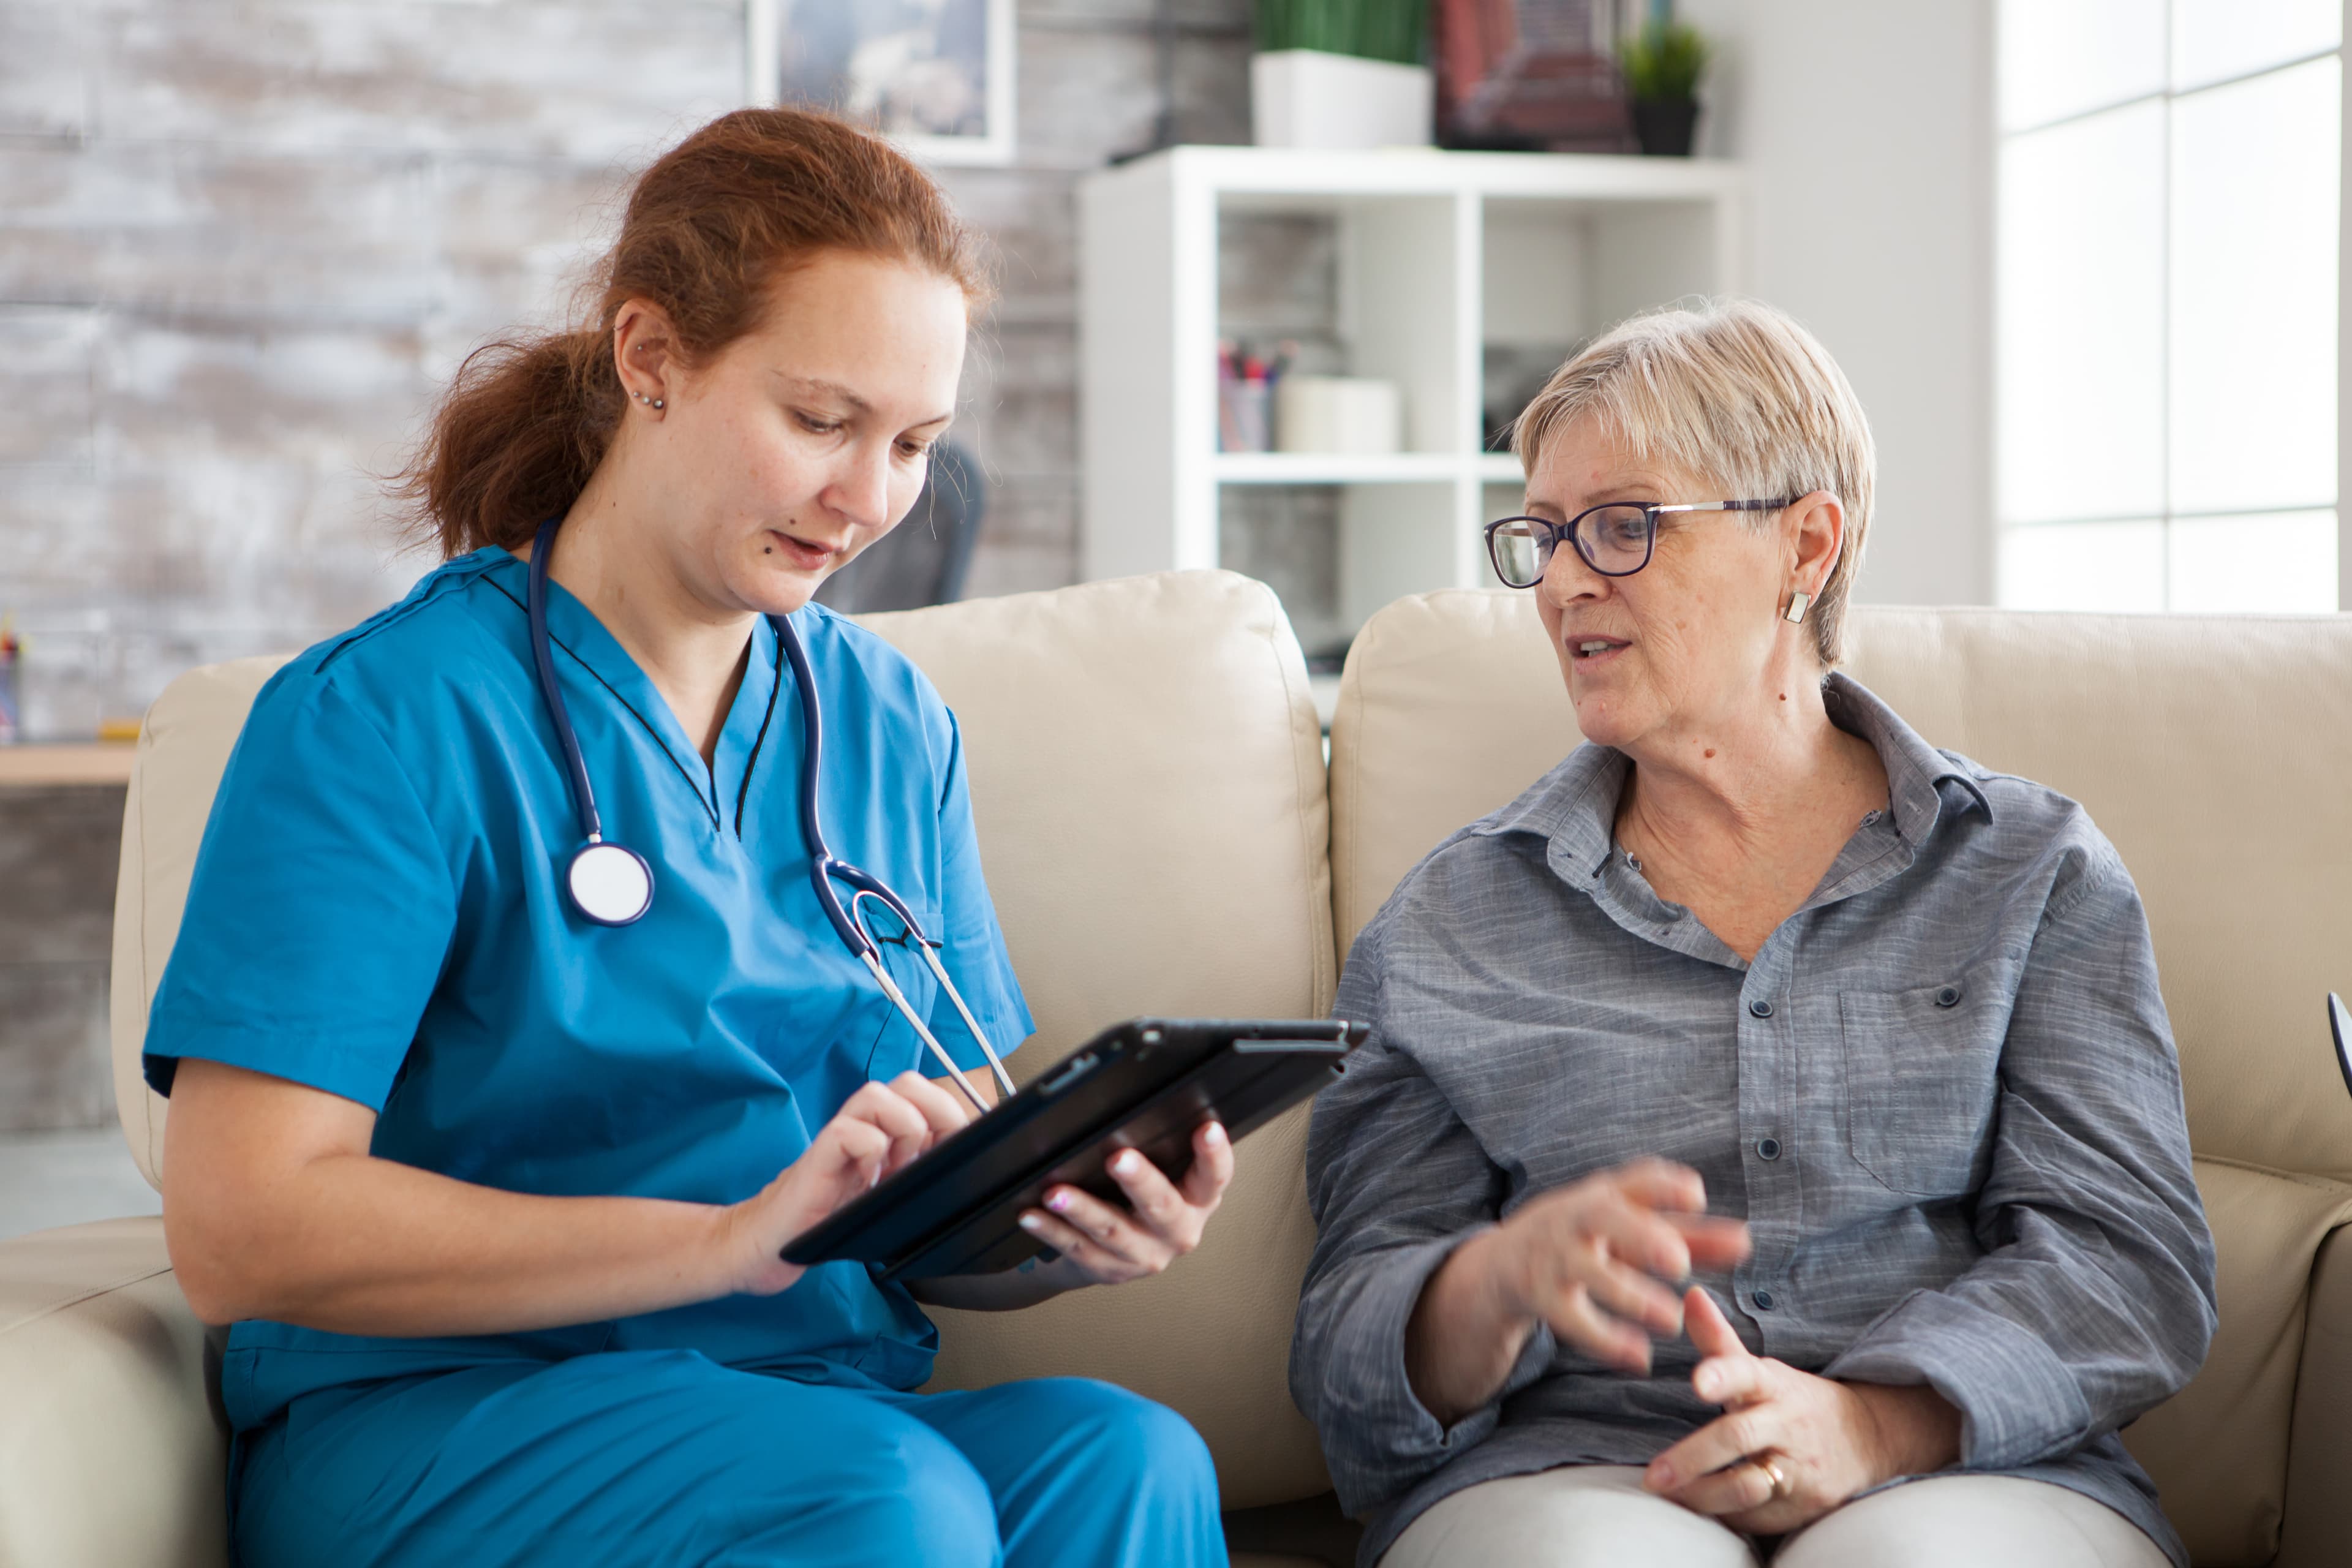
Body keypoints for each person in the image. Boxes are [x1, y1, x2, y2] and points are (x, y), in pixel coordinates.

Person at [148, 108, 1231, 1568]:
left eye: (915, 444)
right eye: (821, 420)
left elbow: (944, 1170)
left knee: (1126, 1458)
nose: (869, 500)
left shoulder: (890, 723)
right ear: (650, 357)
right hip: (448, 1416)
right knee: (878, 1499)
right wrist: (730, 1238)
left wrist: (1061, 1222)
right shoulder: (383, 720)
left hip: (802, 1403)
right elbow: (240, 1230)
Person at [1290, 300, 2215, 1568]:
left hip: (1960, 1464)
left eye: (1622, 526)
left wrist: (1877, 1423)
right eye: (1544, 536)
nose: (1562, 582)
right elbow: (1343, 1351)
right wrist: (1494, 1281)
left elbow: (2130, 1261)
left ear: (1807, 544)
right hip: (1582, 1464)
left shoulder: (2029, 870)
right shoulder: (1454, 923)